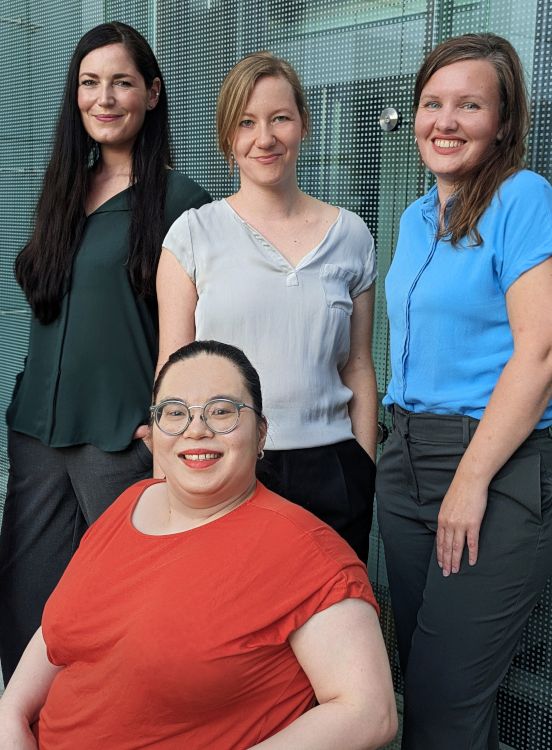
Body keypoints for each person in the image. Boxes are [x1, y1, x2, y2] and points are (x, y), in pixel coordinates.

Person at [0, 340, 397, 750]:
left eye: (222, 411)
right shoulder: (133, 502)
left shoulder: (308, 551)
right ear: (153, 432)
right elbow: (58, 631)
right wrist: (9, 717)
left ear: (261, 433)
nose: (196, 429)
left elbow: (369, 712)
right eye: (175, 413)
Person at [0, 21, 211, 683]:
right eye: (90, 83)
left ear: (152, 93)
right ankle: (30, 724)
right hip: (38, 434)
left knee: (126, 607)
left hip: (121, 440)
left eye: (121, 82)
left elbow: (198, 337)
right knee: (24, 604)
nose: (104, 97)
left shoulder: (182, 202)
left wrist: (167, 430)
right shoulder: (64, 190)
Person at [376, 33, 552, 749]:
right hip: (406, 460)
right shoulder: (413, 218)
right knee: (424, 686)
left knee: (442, 707)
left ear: (502, 121)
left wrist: (469, 479)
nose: (445, 121)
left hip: (491, 466)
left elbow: (545, 350)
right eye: (432, 103)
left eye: (469, 105)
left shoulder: (522, 198)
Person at [157, 52, 378, 564]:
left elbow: (358, 365)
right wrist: (165, 479)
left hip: (332, 470)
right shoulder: (193, 234)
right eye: (246, 122)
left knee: (333, 610)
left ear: (303, 123)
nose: (265, 138)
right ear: (227, 137)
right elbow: (172, 369)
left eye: (280, 118)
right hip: (226, 465)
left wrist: (363, 467)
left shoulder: (351, 235)